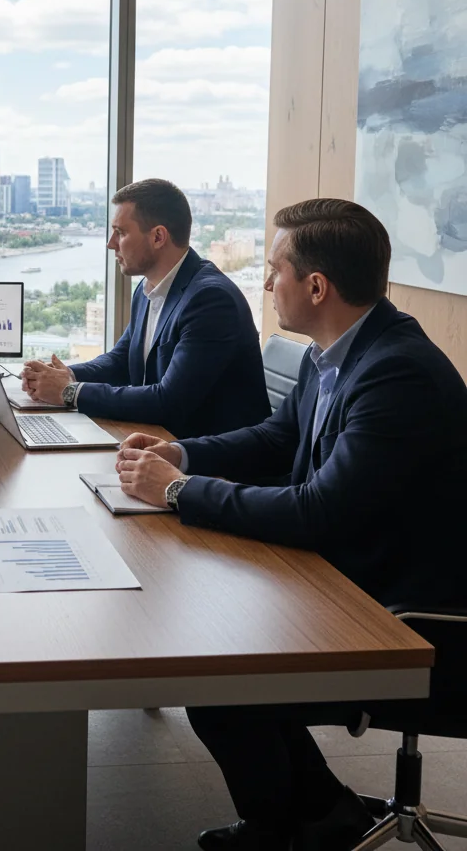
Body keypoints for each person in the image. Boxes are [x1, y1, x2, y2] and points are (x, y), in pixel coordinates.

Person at [115, 198, 467, 851]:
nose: (264, 282)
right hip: (351, 574)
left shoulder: (397, 374)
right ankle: (318, 814)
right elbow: (278, 439)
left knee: (222, 675)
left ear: (315, 286)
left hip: (410, 615)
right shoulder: (335, 351)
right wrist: (181, 455)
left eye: (273, 269)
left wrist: (180, 492)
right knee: (217, 654)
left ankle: (290, 826)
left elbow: (318, 511)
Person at [21, 179, 269, 437]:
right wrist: (63, 375)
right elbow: (122, 361)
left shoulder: (210, 300)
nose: (110, 243)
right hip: (161, 442)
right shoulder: (148, 288)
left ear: (158, 236)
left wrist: (68, 391)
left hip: (214, 464)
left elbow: (169, 402)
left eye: (121, 233)